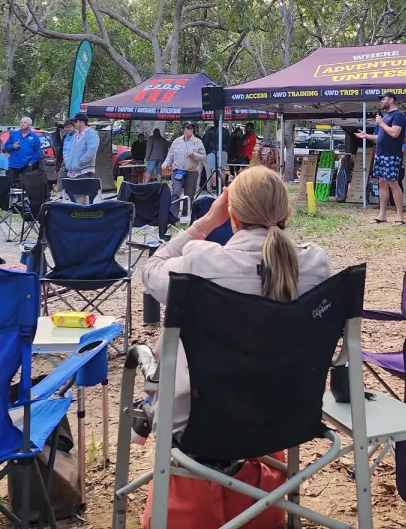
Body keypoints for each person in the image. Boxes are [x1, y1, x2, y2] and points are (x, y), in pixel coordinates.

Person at [139, 166, 331, 528]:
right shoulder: (315, 264)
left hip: (199, 424)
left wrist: (206, 223)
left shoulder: (200, 261)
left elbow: (151, 269)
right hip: (285, 418)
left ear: (233, 214)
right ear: (287, 213)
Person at [356, 93, 406, 225]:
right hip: (380, 153)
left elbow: (395, 133)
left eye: (383, 99)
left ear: (391, 100)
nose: (381, 102)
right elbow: (380, 136)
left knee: (393, 183)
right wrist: (366, 136)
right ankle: (382, 215)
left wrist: (381, 123)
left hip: (392, 154)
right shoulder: (385, 116)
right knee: (382, 182)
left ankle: (399, 216)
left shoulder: (398, 116)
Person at [163, 122, 207, 199]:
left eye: (192, 128)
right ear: (184, 129)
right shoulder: (176, 141)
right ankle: (173, 211)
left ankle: (187, 211)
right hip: (178, 171)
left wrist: (194, 154)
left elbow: (203, 158)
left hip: (192, 172)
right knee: (175, 192)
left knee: (189, 195)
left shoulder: (198, 142)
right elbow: (170, 155)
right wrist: (166, 163)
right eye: (188, 128)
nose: (190, 130)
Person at [202, 121, 231, 191]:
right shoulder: (226, 131)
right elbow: (229, 142)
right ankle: (222, 186)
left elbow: (206, 142)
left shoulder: (210, 130)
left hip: (212, 151)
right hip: (223, 151)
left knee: (213, 169)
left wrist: (206, 151)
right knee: (222, 169)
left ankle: (215, 186)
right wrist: (227, 151)